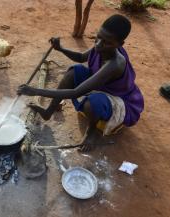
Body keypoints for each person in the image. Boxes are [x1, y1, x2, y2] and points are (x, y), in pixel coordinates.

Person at [17, 14, 144, 152]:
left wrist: (35, 91)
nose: (98, 44)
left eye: (107, 42)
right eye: (98, 37)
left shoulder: (114, 64)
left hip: (118, 98)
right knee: (74, 71)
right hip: (100, 84)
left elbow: (76, 92)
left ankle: (91, 132)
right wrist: (61, 48)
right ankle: (48, 111)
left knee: (92, 103)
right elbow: (81, 57)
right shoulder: (101, 46)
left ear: (120, 44)